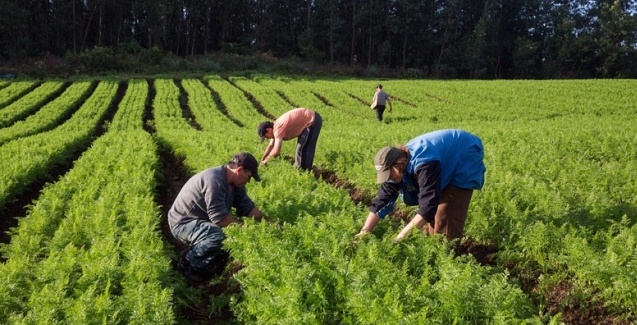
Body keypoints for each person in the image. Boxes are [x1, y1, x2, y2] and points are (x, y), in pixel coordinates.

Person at [356, 129, 486, 242]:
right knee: (434, 218)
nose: (388, 179)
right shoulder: (399, 167)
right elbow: (381, 202)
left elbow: (427, 206)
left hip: (464, 154)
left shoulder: (424, 164)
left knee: (445, 217)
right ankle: (435, 248)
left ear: (398, 165)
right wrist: (364, 232)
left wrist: (399, 238)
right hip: (443, 159)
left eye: (389, 175)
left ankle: (446, 255)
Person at [168, 152, 266, 282]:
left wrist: (269, 223)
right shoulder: (214, 180)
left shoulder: (235, 185)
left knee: (225, 233)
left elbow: (249, 209)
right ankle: (187, 264)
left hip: (200, 221)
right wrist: (245, 227)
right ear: (240, 170)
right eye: (249, 177)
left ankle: (209, 261)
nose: (248, 181)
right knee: (217, 234)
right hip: (182, 223)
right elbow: (220, 219)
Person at [257, 108, 323, 171]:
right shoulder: (274, 126)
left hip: (313, 121)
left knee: (303, 148)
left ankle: (303, 172)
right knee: (301, 148)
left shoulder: (278, 129)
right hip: (309, 120)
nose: (267, 138)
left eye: (266, 136)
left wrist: (265, 162)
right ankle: (300, 170)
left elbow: (276, 151)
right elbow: (271, 145)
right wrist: (262, 159)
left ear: (268, 130)